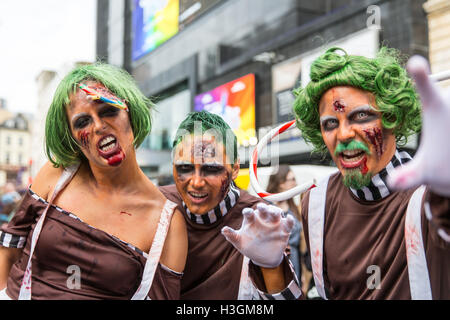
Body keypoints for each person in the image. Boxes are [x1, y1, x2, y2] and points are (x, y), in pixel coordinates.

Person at [225, 47, 449, 299]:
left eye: (361, 116)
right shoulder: (317, 203)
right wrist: (271, 269)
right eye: (331, 123)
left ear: (391, 118)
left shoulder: (432, 193)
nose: (343, 134)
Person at [0, 63, 187, 300]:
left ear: (129, 112)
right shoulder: (57, 176)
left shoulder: (167, 222)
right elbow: (7, 251)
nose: (98, 126)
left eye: (108, 110)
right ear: (73, 138)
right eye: (82, 122)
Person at [159, 111, 303, 299]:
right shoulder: (160, 205)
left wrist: (271, 266)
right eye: (184, 168)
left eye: (211, 168)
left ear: (235, 169)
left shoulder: (256, 218)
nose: (196, 182)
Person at [266, 165, 309, 287]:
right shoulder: (268, 207)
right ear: (281, 183)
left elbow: (301, 243)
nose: (295, 183)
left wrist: (303, 274)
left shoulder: (293, 207)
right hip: (277, 264)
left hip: (295, 262)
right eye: (292, 179)